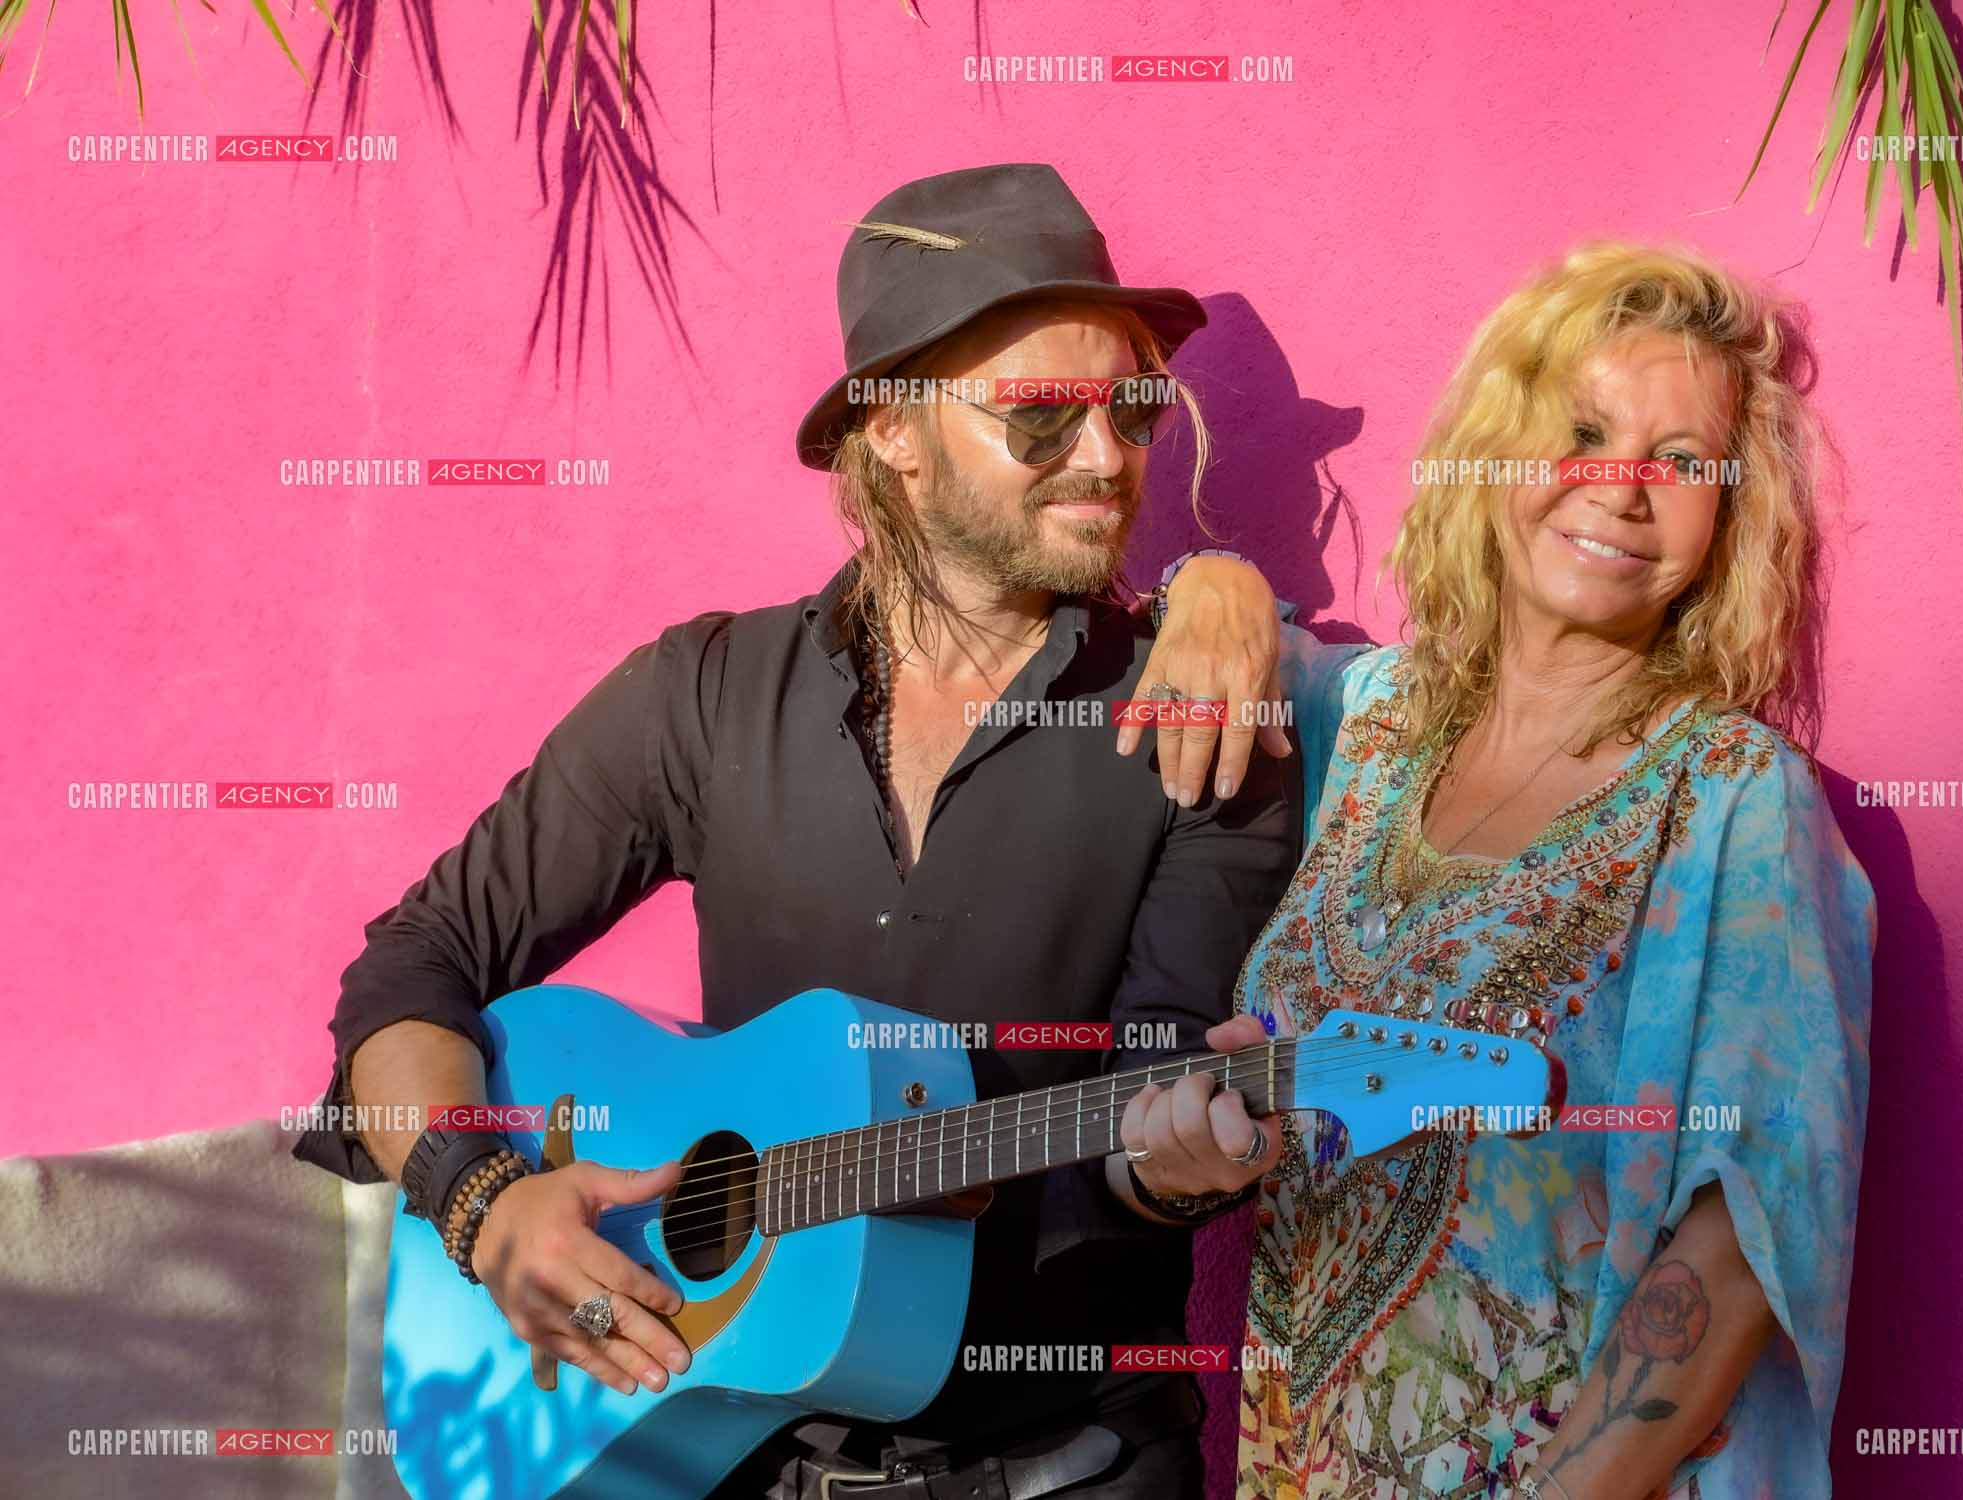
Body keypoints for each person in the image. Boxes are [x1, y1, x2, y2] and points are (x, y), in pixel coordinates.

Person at [289, 162, 1302, 1500]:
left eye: (1133, 408)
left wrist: (1175, 1170)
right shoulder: (703, 698)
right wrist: (485, 1205)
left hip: (1081, 1467)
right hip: (734, 1459)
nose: (1110, 457)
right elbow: (411, 966)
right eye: (1042, 414)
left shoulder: (1202, 723)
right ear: (894, 431)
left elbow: (1160, 1091)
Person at [1163, 242, 1876, 1499]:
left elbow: (1745, 1236)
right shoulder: (1359, 724)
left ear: (1728, 521)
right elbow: (1225, 655)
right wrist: (1209, 579)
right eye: (1583, 431)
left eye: (1681, 462)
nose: (1621, 488)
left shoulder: (1731, 799)